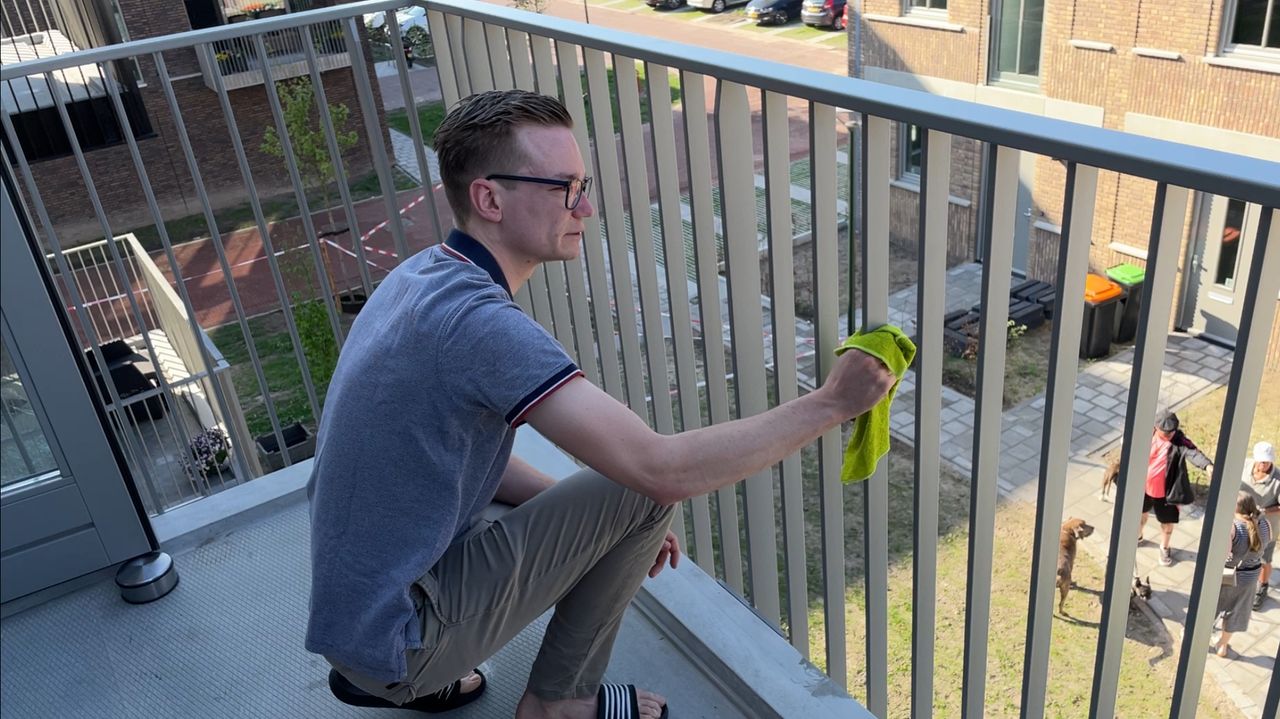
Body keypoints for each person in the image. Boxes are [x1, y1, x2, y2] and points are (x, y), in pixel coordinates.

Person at [303, 89, 896, 719]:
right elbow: (661, 469)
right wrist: (833, 402)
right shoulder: (477, 324)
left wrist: (593, 523)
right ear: (489, 198)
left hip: (360, 620)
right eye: (564, 188)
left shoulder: (423, 273)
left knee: (620, 497)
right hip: (400, 636)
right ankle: (557, 703)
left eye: (583, 184)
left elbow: (453, 456)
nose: (586, 206)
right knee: (643, 490)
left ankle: (393, 676)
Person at [1139, 411, 1212, 567]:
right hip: (1143, 488)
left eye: (1171, 432)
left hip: (1167, 492)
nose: (1168, 435)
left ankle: (1164, 547)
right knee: (1140, 515)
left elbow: (1193, 452)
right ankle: (1138, 536)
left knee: (1167, 523)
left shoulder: (1179, 440)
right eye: (1164, 432)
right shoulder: (1147, 434)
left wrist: (1207, 465)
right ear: (1156, 428)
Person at [1213, 492, 1272, 658]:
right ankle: (1222, 646)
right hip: (1251, 576)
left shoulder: (1233, 527)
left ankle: (1198, 635)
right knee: (1237, 611)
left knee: (1213, 607)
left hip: (1229, 576)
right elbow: (1267, 544)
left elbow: (1224, 555)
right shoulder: (1265, 524)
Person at [1241, 441, 1279, 610]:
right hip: (1241, 523)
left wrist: (1264, 510)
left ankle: (1262, 587)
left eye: (1267, 461)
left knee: (1264, 559)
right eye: (1261, 460)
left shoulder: (1277, 480)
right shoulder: (1244, 466)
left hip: (1266, 527)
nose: (1263, 464)